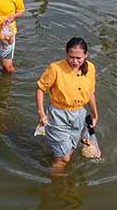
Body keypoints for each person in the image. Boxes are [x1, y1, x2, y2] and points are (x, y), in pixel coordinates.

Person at [36, 37, 98, 170]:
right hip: (58, 115)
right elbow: (40, 89)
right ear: (66, 54)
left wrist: (94, 115)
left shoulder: (91, 68)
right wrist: (41, 113)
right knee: (64, 159)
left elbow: (91, 93)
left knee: (70, 150)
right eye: (71, 57)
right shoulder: (55, 69)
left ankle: (56, 159)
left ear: (85, 55)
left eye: (79, 58)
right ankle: (55, 186)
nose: (75, 61)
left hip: (79, 115)